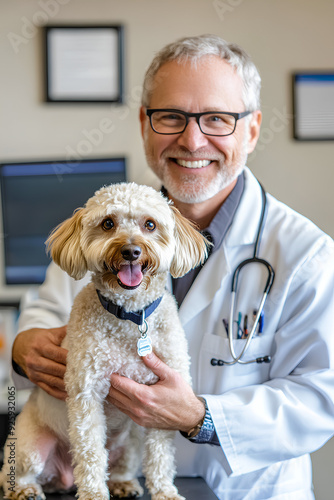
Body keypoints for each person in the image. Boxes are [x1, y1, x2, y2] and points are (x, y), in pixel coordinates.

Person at [11, 35, 334, 500]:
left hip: (246, 491)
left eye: (217, 118)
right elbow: (45, 315)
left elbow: (320, 401)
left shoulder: (306, 254)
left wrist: (199, 417)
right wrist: (25, 348)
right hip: (115, 482)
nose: (192, 139)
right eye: (171, 117)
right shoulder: (105, 227)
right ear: (145, 124)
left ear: (253, 129)